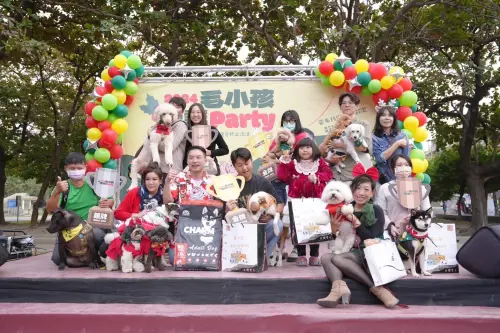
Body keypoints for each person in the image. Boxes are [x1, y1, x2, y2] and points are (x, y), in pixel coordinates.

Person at [317, 170, 400, 309]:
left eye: (366, 189)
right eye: (357, 188)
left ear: (373, 193)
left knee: (338, 259)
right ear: (352, 190)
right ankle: (337, 289)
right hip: (347, 249)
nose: (361, 193)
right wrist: (333, 229)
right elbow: (336, 239)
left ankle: (378, 290)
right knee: (326, 257)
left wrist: (354, 220)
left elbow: (372, 238)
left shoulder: (375, 210)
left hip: (368, 252)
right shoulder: (342, 207)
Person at [46, 152, 114, 266]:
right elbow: (50, 209)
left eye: (79, 168)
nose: (76, 170)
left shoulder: (94, 183)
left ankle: (95, 256)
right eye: (72, 168)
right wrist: (57, 191)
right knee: (58, 260)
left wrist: (108, 202)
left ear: (85, 168)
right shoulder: (62, 186)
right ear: (66, 168)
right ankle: (82, 257)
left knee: (97, 235)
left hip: (91, 225)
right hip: (69, 229)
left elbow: (111, 201)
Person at [277, 138, 333, 266]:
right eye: (302, 148)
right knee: (300, 228)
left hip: (316, 201)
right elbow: (282, 177)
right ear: (297, 150)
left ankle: (314, 256)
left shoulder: (320, 162)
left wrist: (317, 178)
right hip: (298, 202)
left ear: (313, 149)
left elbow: (328, 174)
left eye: (308, 147)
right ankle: (301, 255)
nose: (305, 150)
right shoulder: (293, 163)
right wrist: (283, 164)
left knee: (315, 228)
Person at [225, 148, 284, 260]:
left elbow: (280, 203)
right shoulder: (230, 185)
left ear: (252, 161)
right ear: (234, 166)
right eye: (240, 165)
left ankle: (262, 258)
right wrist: (228, 208)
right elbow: (225, 213)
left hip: (260, 226)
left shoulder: (262, 182)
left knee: (278, 224)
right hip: (240, 228)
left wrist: (271, 214)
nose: (244, 168)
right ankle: (240, 256)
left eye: (247, 163)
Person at [375, 154, 431, 239]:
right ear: (393, 169)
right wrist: (390, 226)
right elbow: (381, 212)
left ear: (411, 168)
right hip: (394, 233)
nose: (403, 167)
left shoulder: (421, 188)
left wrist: (417, 215)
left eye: (407, 165)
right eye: (399, 165)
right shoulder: (385, 188)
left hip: (417, 234)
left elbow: (428, 211)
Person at [320, 92, 371, 184]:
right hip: (334, 175)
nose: (347, 105)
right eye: (344, 103)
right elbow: (326, 151)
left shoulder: (362, 125)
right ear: (340, 107)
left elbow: (365, 148)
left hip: (352, 175)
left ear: (357, 106)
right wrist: (329, 159)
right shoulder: (335, 128)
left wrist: (343, 145)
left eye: (350, 102)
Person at [182, 103, 229, 175]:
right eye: (193, 112)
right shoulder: (187, 132)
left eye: (198, 112)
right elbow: (185, 155)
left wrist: (210, 152)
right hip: (192, 170)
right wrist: (185, 169)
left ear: (203, 114)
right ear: (189, 115)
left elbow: (225, 150)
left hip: (210, 169)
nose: (195, 115)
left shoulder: (212, 130)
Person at [372, 103, 409, 183]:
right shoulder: (374, 137)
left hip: (400, 180)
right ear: (378, 118)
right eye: (383, 115)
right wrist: (397, 144)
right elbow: (380, 159)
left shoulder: (402, 135)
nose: (387, 118)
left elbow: (407, 160)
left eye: (390, 115)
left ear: (394, 118)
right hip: (382, 181)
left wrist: (407, 180)